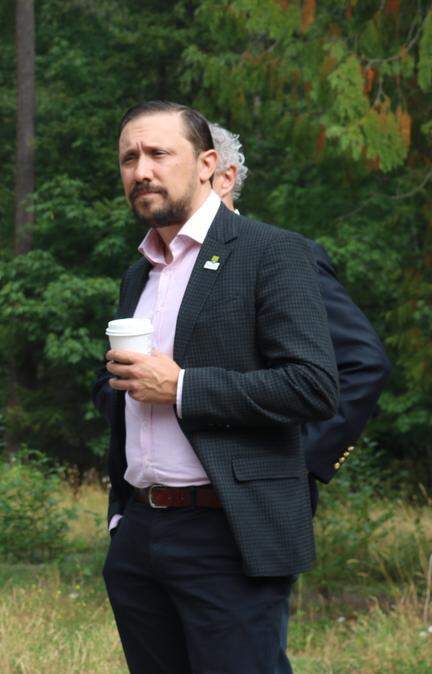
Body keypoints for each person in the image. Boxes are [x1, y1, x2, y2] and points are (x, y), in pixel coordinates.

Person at [92, 101, 338, 673]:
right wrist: (122, 519)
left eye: (158, 153)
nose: (141, 170)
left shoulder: (271, 251)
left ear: (207, 164)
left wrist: (183, 388)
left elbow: (313, 387)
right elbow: (124, 394)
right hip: (141, 534)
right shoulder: (140, 271)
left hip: (228, 533)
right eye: (129, 158)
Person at [208, 122, 390, 511]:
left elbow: (364, 363)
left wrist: (299, 460)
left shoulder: (282, 255)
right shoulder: (154, 266)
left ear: (225, 178)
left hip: (262, 503)